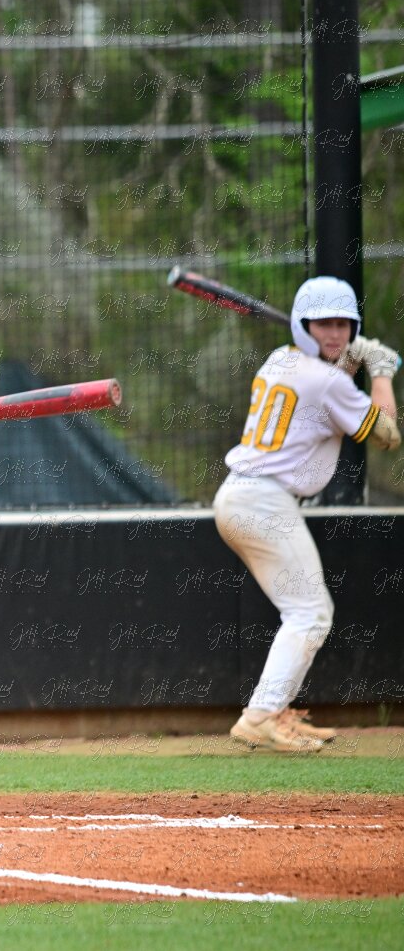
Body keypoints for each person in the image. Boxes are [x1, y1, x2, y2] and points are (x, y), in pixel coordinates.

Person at [215, 277, 399, 752]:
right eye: (323, 324)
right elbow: (387, 435)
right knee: (310, 614)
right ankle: (261, 716)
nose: (334, 333)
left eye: (343, 324)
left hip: (242, 497)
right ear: (303, 325)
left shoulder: (281, 359)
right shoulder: (327, 380)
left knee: (301, 611)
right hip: (263, 502)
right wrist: (380, 371)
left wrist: (351, 361)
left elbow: (324, 384)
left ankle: (274, 709)